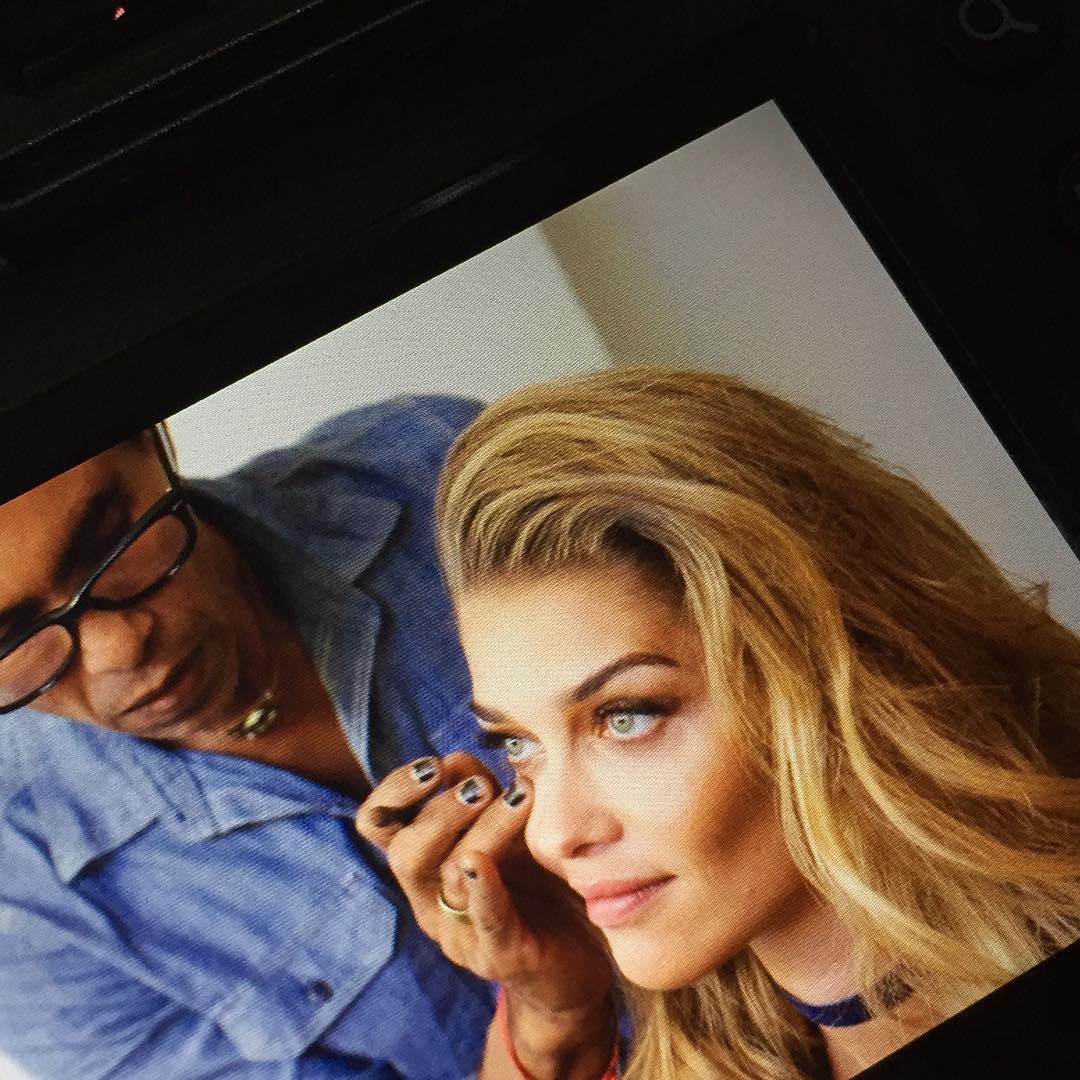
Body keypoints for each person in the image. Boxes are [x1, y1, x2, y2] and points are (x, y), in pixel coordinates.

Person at [356, 365, 1080, 1079]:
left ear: (836, 672)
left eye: (626, 717)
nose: (551, 834)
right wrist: (552, 1009)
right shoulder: (706, 1040)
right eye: (519, 743)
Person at [0, 395, 515, 1079]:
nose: (118, 649)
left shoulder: (445, 472)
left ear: (152, 437)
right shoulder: (24, 901)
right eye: (14, 639)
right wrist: (545, 1025)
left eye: (109, 543)